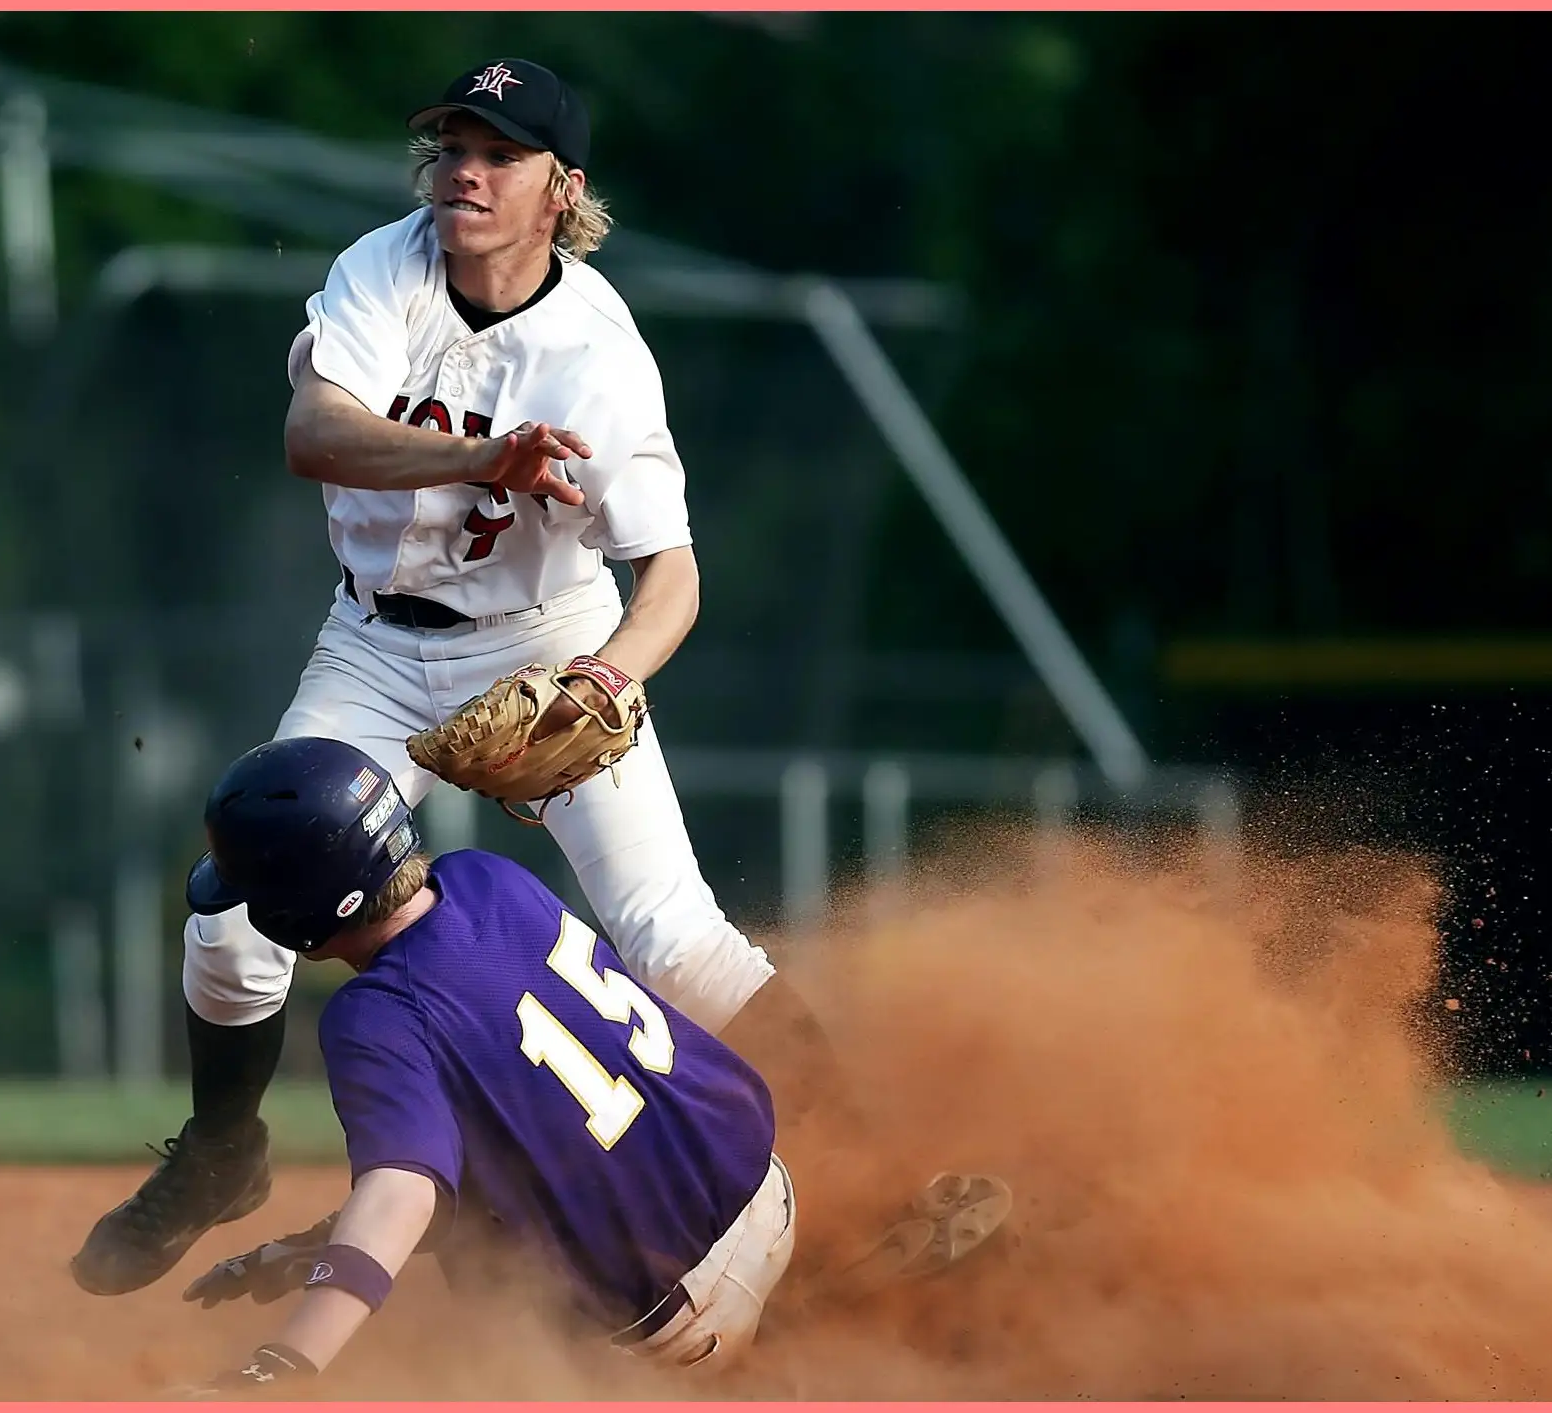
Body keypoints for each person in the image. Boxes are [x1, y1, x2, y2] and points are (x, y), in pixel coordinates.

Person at [70, 56, 1007, 1300]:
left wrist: (606, 681)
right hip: (368, 644)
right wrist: (493, 459)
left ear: (560, 190)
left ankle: (891, 1182)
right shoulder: (382, 267)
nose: (463, 169)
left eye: (499, 153)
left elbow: (669, 577)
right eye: (451, 143)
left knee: (673, 938)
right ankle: (221, 1149)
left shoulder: (599, 356)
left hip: (539, 639)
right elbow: (313, 435)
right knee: (239, 907)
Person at [170, 737, 799, 1387]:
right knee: (483, 1158)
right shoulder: (486, 877)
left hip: (679, 1319)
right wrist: (309, 1249)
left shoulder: (374, 1013)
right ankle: (817, 1306)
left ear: (292, 912)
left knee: (487, 1293)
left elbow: (403, 1192)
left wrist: (284, 1364)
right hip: (771, 1193)